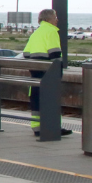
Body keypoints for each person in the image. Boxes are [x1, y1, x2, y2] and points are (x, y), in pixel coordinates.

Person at [23, 8, 72, 137]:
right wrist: (58, 72)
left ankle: (37, 127)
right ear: (49, 19)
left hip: (35, 70)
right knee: (51, 98)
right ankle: (53, 126)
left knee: (36, 97)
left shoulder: (36, 33)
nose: (57, 20)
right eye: (55, 17)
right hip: (48, 71)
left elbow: (26, 53)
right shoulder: (51, 31)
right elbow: (55, 54)